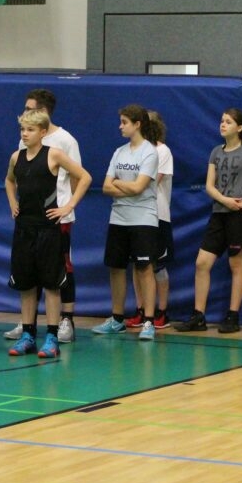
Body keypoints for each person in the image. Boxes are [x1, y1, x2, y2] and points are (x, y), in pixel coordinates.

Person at [175, 108, 242, 333]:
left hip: (241, 216)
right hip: (219, 213)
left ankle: (233, 316)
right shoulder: (216, 152)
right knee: (202, 263)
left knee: (236, 264)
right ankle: (198, 316)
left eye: (228, 122)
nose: (223, 124)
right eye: (222, 121)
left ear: (240, 127)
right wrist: (225, 200)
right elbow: (209, 186)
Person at [5, 110, 91, 358]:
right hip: (24, 229)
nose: (25, 134)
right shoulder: (16, 157)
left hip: (48, 229)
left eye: (30, 130)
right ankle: (28, 335)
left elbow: (84, 177)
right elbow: (9, 181)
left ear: (43, 132)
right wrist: (12, 202)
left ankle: (52, 337)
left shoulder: (54, 154)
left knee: (52, 285)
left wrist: (68, 206)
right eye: (23, 129)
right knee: (26, 284)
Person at [92, 105, 161, 341]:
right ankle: (117, 319)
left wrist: (120, 184)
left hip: (143, 218)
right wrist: (126, 187)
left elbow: (139, 187)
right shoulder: (119, 152)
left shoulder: (150, 153)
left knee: (144, 268)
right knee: (116, 267)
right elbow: (105, 186)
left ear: (137, 124)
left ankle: (148, 321)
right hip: (118, 218)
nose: (120, 126)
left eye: (124, 122)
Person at [126, 110, 174, 330]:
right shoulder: (132, 151)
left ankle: (161, 312)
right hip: (135, 216)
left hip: (157, 216)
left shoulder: (162, 151)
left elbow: (148, 182)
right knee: (138, 264)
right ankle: (142, 309)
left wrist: (130, 184)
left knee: (157, 265)